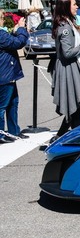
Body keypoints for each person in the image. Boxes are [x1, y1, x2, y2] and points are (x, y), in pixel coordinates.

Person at [50, 0, 80, 141]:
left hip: (71, 68)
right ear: (66, 6)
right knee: (75, 105)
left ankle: (65, 136)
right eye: (74, 4)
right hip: (69, 69)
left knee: (77, 106)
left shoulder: (66, 23)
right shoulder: (65, 26)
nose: (77, 7)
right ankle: (67, 138)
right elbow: (67, 52)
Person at [0, 9, 29, 143]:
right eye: (1, 18)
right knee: (2, 106)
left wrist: (16, 30)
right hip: (4, 75)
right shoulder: (0, 34)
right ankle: (1, 134)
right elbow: (18, 43)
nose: (3, 20)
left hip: (8, 74)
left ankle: (13, 131)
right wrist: (22, 29)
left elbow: (10, 40)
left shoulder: (3, 34)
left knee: (13, 102)